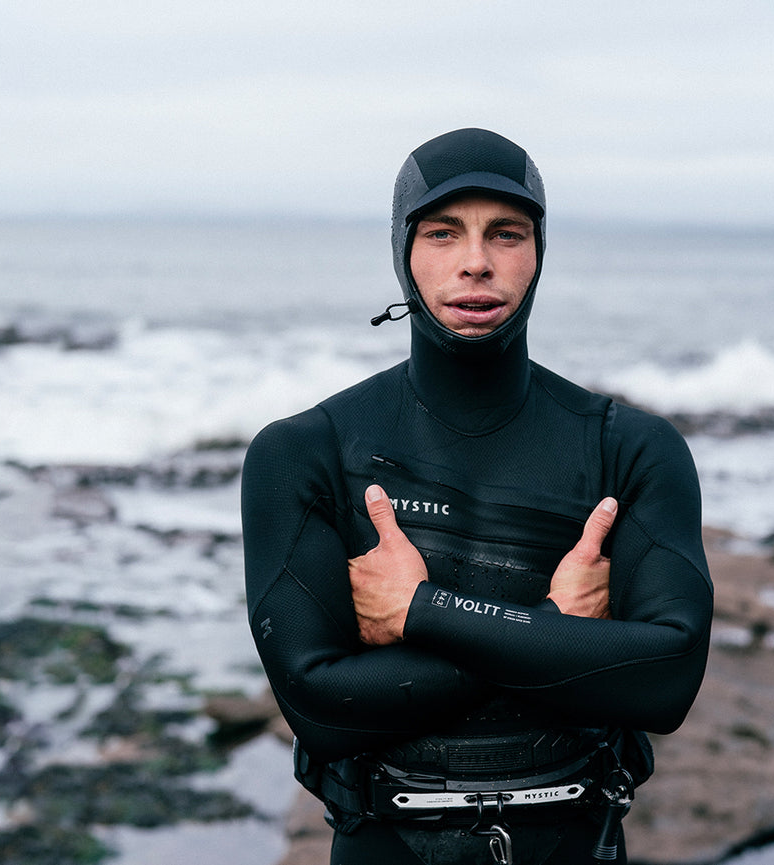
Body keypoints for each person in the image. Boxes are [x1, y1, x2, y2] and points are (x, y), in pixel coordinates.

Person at [241, 128, 713, 865]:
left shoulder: (630, 448)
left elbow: (665, 681)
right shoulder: (306, 452)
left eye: (506, 233)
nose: (475, 261)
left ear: (539, 251)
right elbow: (322, 707)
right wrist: (556, 632)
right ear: (402, 250)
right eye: (442, 232)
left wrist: (421, 612)